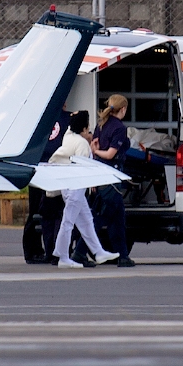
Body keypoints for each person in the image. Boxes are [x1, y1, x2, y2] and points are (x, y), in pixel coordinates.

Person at [49, 111, 119, 268]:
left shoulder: (69, 137)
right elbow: (84, 167)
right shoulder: (80, 144)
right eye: (88, 129)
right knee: (69, 221)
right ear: (83, 129)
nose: (89, 133)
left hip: (70, 186)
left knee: (86, 220)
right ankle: (63, 256)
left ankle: (98, 252)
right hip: (76, 187)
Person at [91, 94, 136, 268]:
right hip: (111, 177)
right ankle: (79, 252)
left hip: (101, 176)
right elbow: (110, 154)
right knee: (102, 218)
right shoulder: (119, 128)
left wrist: (96, 152)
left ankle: (123, 255)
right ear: (123, 109)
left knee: (118, 219)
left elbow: (94, 147)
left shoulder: (101, 125)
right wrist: (99, 153)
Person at [26, 105, 71, 264]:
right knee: (57, 213)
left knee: (36, 212)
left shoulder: (38, 118)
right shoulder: (68, 119)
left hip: (37, 169)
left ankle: (33, 251)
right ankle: (55, 250)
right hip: (57, 170)